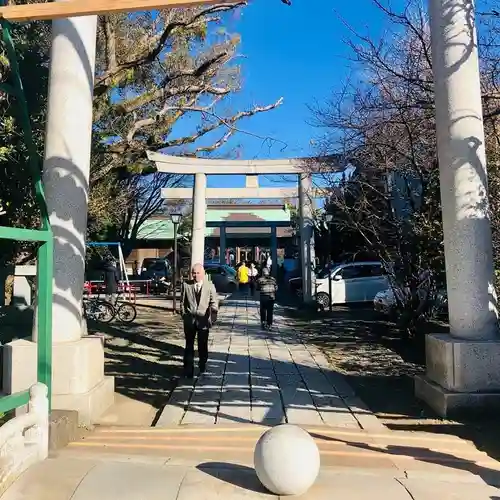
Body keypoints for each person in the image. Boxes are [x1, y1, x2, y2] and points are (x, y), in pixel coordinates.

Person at [180, 263, 219, 378]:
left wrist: (212, 316)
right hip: (189, 320)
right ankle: (188, 370)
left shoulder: (209, 286)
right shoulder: (186, 285)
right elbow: (182, 302)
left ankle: (202, 363)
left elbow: (214, 303)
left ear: (203, 274)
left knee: (202, 345)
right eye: (194, 273)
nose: (195, 275)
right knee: (189, 345)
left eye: (198, 273)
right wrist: (184, 314)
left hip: (203, 321)